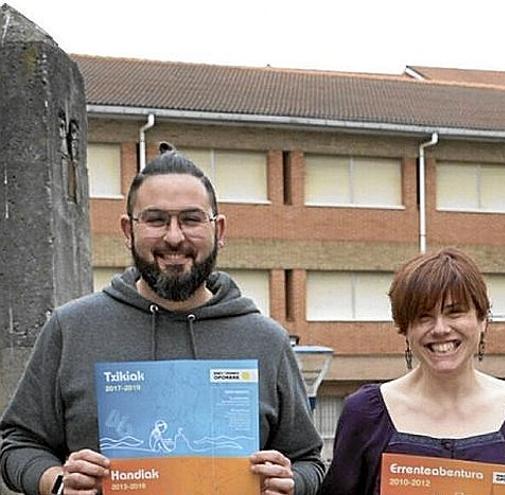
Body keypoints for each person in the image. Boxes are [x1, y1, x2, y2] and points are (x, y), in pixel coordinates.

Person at [0, 146, 325, 495]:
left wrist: (292, 482)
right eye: (156, 220)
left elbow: (309, 461)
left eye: (191, 219)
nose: (174, 237)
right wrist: (60, 483)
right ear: (128, 231)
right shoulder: (72, 328)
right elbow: (17, 445)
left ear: (219, 230)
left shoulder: (265, 340)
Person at [318, 248, 505, 494]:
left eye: (454, 312)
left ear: (482, 319)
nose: (440, 329)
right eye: (423, 317)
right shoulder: (365, 414)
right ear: (404, 329)